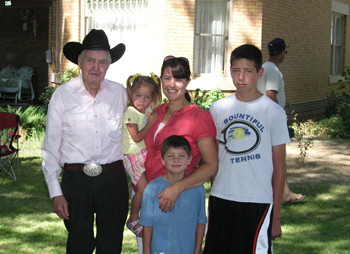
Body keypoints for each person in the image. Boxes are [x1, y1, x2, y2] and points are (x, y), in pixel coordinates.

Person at [41, 29, 129, 254]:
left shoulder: (120, 94)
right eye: (91, 60)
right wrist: (56, 192)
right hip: (76, 182)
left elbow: (135, 135)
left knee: (111, 246)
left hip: (113, 181)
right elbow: (50, 149)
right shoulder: (62, 95)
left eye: (102, 62)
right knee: (79, 246)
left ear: (109, 65)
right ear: (80, 61)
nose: (96, 68)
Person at [204, 44, 290, 253]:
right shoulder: (218, 109)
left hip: (257, 201)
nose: (241, 77)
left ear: (259, 73)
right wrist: (216, 193)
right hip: (221, 198)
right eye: (235, 70)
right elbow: (214, 161)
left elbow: (279, 170)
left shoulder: (274, 112)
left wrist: (276, 218)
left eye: (248, 71)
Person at [257, 37, 306, 205]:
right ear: (282, 53)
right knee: (278, 156)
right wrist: (279, 118)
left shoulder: (264, 67)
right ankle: (284, 194)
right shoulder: (274, 71)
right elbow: (271, 95)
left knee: (272, 156)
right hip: (270, 120)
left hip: (262, 119)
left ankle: (283, 191)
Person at [140, 135, 207, 254]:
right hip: (159, 250)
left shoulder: (197, 188)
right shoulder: (152, 189)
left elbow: (201, 221)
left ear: (189, 159)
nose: (176, 160)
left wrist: (197, 250)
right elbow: (147, 224)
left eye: (181, 156)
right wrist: (146, 251)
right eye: (170, 156)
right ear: (162, 160)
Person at [122, 73, 162, 237]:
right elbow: (137, 137)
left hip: (144, 153)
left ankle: (151, 215)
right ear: (131, 94)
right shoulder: (130, 112)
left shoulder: (149, 110)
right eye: (138, 95)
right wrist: (151, 122)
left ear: (152, 98)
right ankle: (133, 218)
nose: (142, 100)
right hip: (132, 155)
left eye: (147, 97)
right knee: (143, 188)